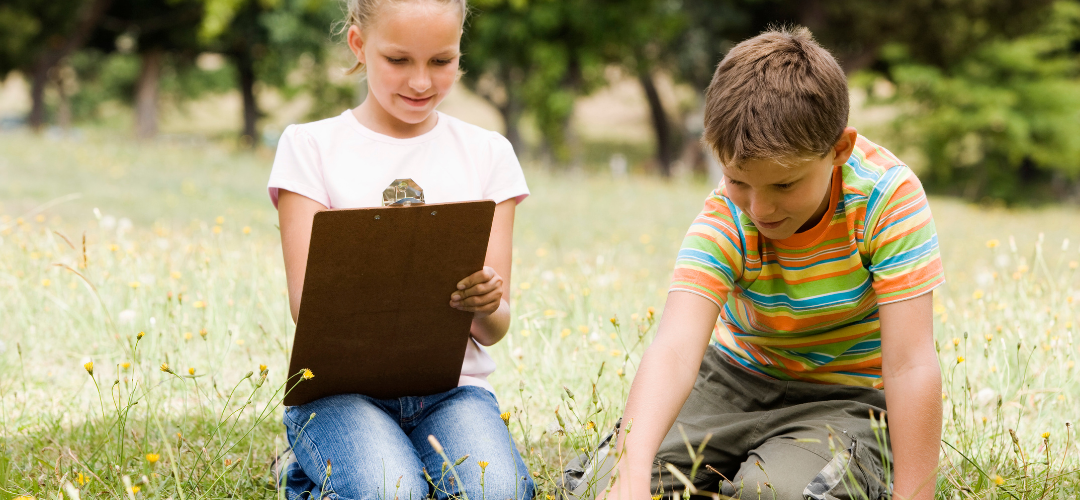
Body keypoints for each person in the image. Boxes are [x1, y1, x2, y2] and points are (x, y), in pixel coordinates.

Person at [566, 27, 944, 500]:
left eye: (784, 185)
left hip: (843, 397)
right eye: (738, 180)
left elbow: (910, 365)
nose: (760, 209)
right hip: (730, 380)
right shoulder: (727, 214)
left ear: (839, 150)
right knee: (601, 486)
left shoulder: (887, 200)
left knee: (771, 493)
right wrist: (631, 469)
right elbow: (677, 350)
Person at [267, 0, 534, 498]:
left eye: (441, 61)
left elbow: (494, 329)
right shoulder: (310, 146)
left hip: (454, 392)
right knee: (391, 492)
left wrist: (486, 303)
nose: (420, 82)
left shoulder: (488, 153)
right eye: (398, 60)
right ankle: (317, 470)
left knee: (497, 492)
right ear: (358, 45)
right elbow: (307, 307)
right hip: (340, 393)